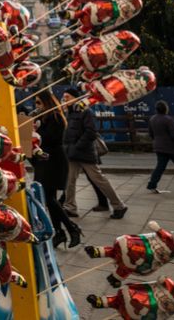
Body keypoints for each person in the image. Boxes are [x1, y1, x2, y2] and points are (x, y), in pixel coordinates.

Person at [61, 88, 127, 219]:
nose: (64, 100)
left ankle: (119, 205)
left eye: (67, 97)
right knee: (69, 180)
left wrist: (77, 146)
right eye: (64, 97)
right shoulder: (69, 112)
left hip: (85, 152)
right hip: (71, 152)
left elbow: (91, 132)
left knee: (99, 179)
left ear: (76, 98)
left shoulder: (86, 111)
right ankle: (70, 207)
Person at [32, 92, 81, 249]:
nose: (37, 106)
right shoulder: (42, 118)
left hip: (53, 161)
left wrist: (33, 132)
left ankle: (71, 228)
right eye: (36, 103)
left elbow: (48, 139)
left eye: (39, 102)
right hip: (44, 161)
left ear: (47, 102)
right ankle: (60, 232)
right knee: (48, 198)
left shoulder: (55, 117)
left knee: (49, 198)